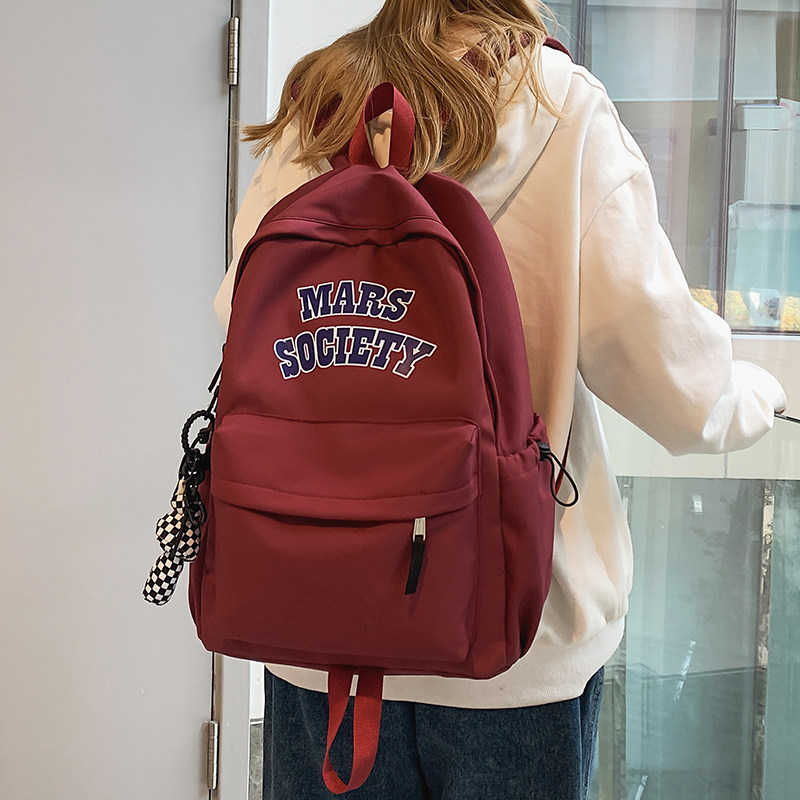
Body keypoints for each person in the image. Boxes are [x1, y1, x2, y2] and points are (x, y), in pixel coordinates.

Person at [213, 2, 787, 798]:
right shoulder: (560, 106)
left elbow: (239, 311)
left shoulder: (326, 100)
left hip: (316, 613)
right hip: (515, 629)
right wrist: (758, 394)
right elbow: (678, 387)